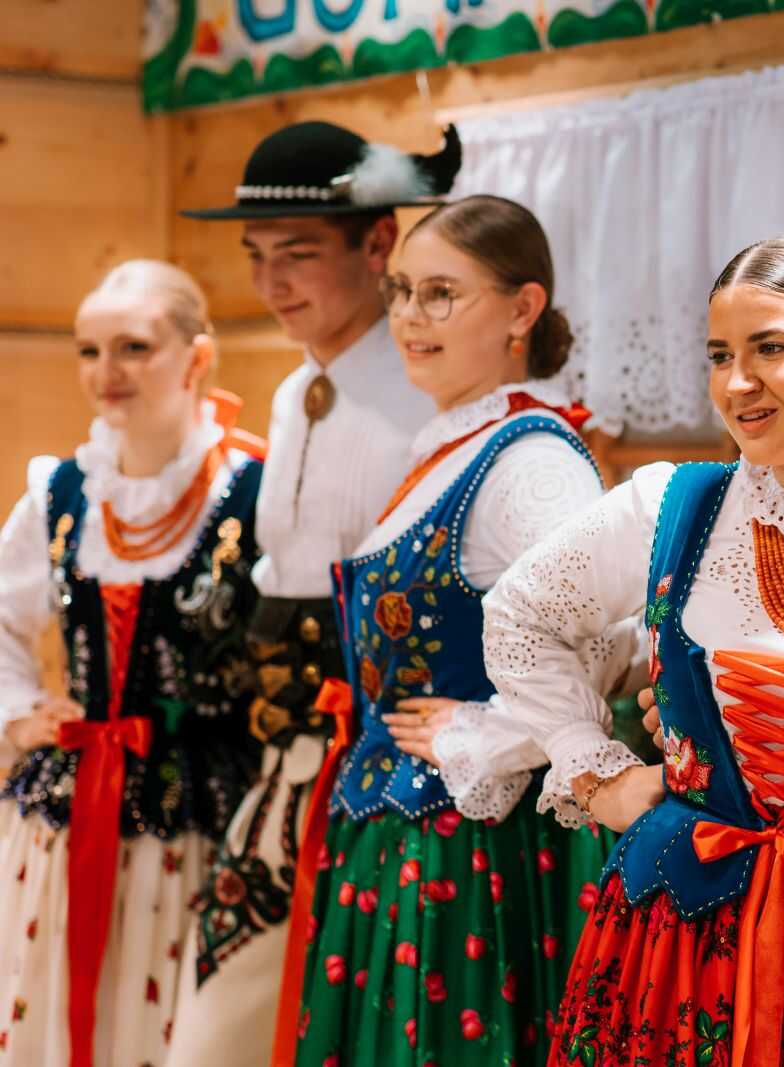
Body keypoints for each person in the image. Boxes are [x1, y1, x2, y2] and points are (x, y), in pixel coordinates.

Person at [483, 233, 784, 1067]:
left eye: (769, 348)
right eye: (719, 355)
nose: (737, 382)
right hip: (673, 937)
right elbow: (518, 615)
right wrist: (594, 772)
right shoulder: (675, 504)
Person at [275, 194, 631, 1067]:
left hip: (471, 848)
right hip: (405, 834)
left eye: (440, 294)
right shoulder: (457, 445)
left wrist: (484, 733)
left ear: (522, 308)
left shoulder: (532, 461)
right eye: (400, 290)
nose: (408, 316)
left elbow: (609, 645)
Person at [168, 121, 456, 1067]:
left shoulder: (428, 400)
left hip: (388, 763)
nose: (270, 283)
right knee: (225, 1022)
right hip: (286, 757)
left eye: (297, 254)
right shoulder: (295, 393)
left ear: (378, 245)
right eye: (256, 257)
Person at [0, 261, 265, 1067]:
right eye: (89, 350)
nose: (105, 371)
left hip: (203, 816)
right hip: (68, 809)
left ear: (197, 357)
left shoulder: (254, 490)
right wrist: (21, 712)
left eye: (133, 347)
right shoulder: (61, 491)